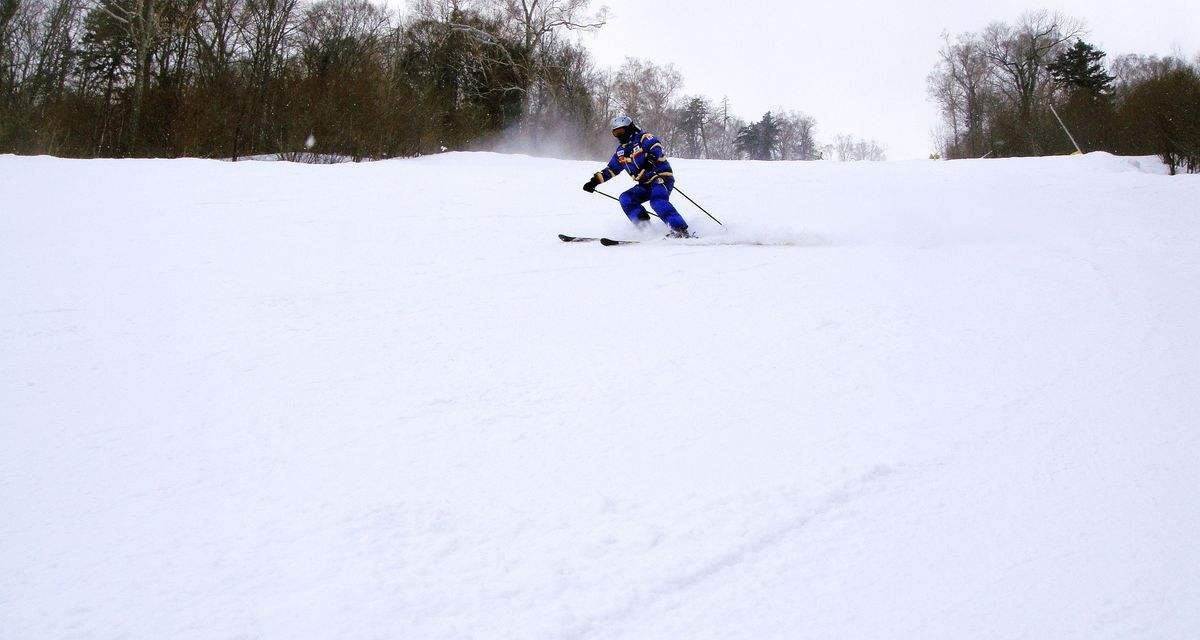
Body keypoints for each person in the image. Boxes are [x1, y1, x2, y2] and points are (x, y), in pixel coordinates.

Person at [583, 115, 691, 237]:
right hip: (645, 184)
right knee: (626, 198)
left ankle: (680, 230)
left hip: (660, 178)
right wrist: (594, 182)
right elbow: (611, 170)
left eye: (621, 131)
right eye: (615, 132)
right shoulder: (621, 152)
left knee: (657, 201)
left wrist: (650, 160)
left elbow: (656, 147)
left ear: (629, 128)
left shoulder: (643, 138)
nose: (619, 135)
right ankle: (645, 229)